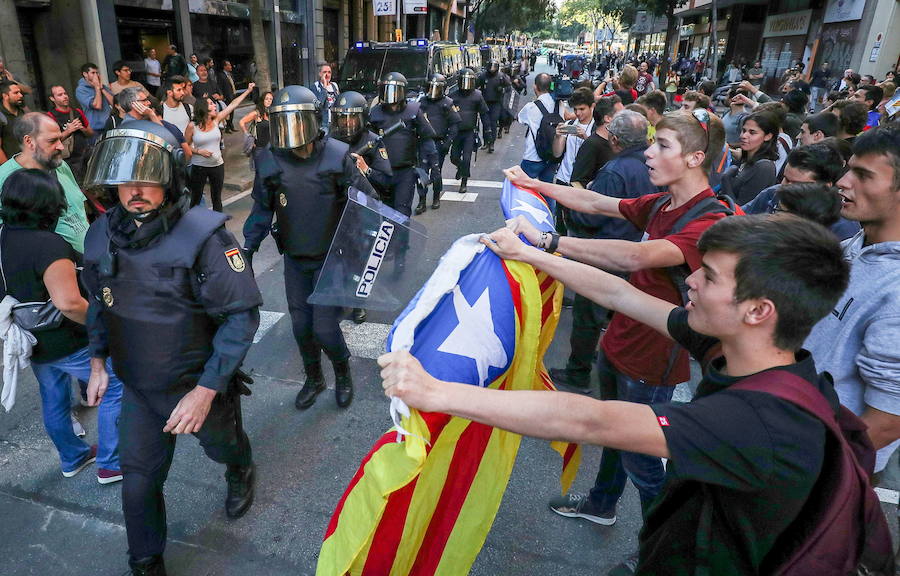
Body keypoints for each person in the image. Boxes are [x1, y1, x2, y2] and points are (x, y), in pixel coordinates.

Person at [380, 211, 859, 575]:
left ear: (758, 310)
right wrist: (530, 253)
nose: (689, 279)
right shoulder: (740, 346)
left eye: (708, 276)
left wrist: (436, 392)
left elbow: (592, 421)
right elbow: (623, 296)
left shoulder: (761, 419)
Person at [503, 110, 732, 555]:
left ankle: (662, 551)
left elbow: (633, 258)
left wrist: (547, 243)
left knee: (645, 465)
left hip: (653, 356)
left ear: (694, 158)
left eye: (662, 145)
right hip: (622, 338)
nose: (648, 151)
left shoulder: (706, 221)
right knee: (614, 435)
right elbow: (593, 203)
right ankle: (602, 503)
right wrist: (533, 185)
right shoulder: (663, 202)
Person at [81, 120, 261, 575]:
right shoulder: (102, 234)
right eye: (125, 179)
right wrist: (98, 360)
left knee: (223, 449)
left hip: (196, 385)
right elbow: (101, 303)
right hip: (139, 386)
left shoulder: (204, 236)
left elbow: (241, 315)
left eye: (147, 178)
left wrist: (206, 391)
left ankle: (240, 469)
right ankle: (146, 563)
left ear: (170, 178)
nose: (135, 190)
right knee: (137, 485)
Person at [243, 85, 377, 412]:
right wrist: (248, 248)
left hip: (333, 259)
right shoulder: (270, 161)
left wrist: (364, 242)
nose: (290, 132)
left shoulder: (336, 155)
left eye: (297, 121)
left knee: (325, 328)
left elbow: (367, 200)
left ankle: (343, 373)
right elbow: (262, 209)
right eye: (283, 122)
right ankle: (314, 377)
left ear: (314, 120)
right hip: (295, 259)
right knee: (301, 327)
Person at [0, 169, 123, 483]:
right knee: (115, 387)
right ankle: (111, 462)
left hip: (30, 338)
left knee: (53, 398)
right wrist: (104, 327)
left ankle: (73, 457)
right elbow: (69, 303)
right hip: (67, 339)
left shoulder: (4, 235)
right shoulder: (48, 246)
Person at [806, 124, 900, 475]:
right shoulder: (852, 246)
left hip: (827, 470)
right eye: (849, 169)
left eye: (863, 175)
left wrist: (800, 466)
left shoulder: (896, 290)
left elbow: (889, 419)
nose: (843, 182)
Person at [550, 110, 657, 393]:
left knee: (587, 316)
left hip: (602, 252)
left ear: (615, 139)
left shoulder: (615, 170)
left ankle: (578, 373)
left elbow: (592, 216)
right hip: (632, 249)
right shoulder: (652, 164)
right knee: (616, 312)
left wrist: (572, 212)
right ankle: (605, 359)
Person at [0, 113, 89, 253]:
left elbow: (80, 209)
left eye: (60, 139)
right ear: (29, 141)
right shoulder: (5, 178)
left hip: (90, 264)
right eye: (52, 141)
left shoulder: (60, 165)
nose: (60, 146)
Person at [368, 72, 436, 217]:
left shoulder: (413, 111)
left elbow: (427, 138)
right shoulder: (375, 113)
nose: (390, 96)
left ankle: (401, 240)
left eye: (394, 91)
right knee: (385, 213)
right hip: (382, 172)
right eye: (386, 90)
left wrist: (429, 164)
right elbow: (368, 142)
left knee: (402, 213)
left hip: (405, 172)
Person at [185, 84, 256, 211]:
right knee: (195, 199)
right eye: (211, 104)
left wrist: (248, 91)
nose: (214, 106)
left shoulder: (216, 120)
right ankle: (195, 226)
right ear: (203, 108)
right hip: (199, 167)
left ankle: (219, 228)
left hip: (217, 166)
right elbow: (185, 146)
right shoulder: (192, 126)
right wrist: (198, 151)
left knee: (217, 199)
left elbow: (233, 104)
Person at [417, 74, 460, 213]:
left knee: (436, 171)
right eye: (431, 87)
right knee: (421, 172)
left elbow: (454, 124)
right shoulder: (422, 102)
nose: (433, 91)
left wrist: (447, 142)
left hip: (438, 143)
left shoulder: (447, 103)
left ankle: (436, 197)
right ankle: (421, 201)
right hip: (424, 142)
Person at [723, 111, 779, 204]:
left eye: (752, 132)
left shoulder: (764, 168)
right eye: (744, 130)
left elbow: (742, 212)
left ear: (768, 136)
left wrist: (726, 181)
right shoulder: (746, 160)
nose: (744, 136)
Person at [450, 68, 489, 194]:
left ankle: (464, 182)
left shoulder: (477, 95)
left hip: (469, 132)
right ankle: (460, 168)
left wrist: (487, 130)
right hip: (456, 132)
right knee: (454, 157)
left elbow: (484, 114)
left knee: (466, 158)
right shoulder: (453, 95)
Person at [568, 94, 619, 189]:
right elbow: (577, 182)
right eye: (620, 114)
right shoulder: (591, 145)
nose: (625, 117)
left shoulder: (616, 142)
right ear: (608, 118)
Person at [46, 85, 94, 185]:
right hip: (69, 160)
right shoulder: (50, 116)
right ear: (52, 98)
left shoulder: (77, 112)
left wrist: (82, 128)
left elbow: (90, 133)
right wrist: (69, 130)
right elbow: (50, 141)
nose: (65, 96)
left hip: (85, 154)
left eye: (65, 93)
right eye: (60, 95)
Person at [517, 73, 559, 183]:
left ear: (535, 87)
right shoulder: (558, 104)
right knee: (547, 190)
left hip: (533, 156)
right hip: (552, 155)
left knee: (522, 187)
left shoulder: (531, 107)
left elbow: (520, 119)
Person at [75, 63, 114, 141]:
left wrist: (102, 88)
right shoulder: (81, 90)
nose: (96, 76)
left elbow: (114, 103)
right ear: (85, 74)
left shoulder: (102, 87)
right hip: (95, 129)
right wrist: (97, 88)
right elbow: (97, 105)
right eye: (93, 73)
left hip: (109, 126)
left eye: (97, 73)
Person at [478, 61, 510, 153]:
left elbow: (508, 86)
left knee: (493, 123)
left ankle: (491, 143)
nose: (492, 70)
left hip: (496, 103)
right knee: (485, 123)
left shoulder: (501, 76)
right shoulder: (483, 76)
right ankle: (486, 142)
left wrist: (502, 89)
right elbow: (475, 86)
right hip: (484, 102)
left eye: (494, 67)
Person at [239, 90, 273, 168]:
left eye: (270, 99)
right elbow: (242, 122)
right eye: (266, 99)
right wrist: (248, 136)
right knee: (260, 171)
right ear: (262, 100)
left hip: (270, 146)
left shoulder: (271, 113)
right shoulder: (256, 113)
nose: (268, 101)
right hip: (259, 147)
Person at [0, 81, 30, 164]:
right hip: (12, 166)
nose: (20, 95)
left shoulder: (22, 112)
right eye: (16, 93)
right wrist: (9, 169)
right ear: (5, 96)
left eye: (20, 92)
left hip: (29, 163)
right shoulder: (1, 116)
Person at [311, 62, 340, 131]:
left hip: (335, 123)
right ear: (320, 74)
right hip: (324, 123)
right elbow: (318, 105)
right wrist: (324, 87)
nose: (327, 75)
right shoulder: (315, 87)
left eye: (329, 72)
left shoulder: (334, 85)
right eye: (324, 72)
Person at [218, 60, 237, 133]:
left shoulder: (230, 75)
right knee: (227, 112)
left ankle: (231, 126)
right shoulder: (221, 75)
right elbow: (220, 86)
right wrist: (222, 95)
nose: (230, 66)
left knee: (232, 111)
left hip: (232, 95)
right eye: (228, 65)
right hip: (226, 96)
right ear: (225, 67)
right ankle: (227, 127)